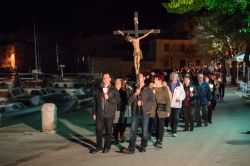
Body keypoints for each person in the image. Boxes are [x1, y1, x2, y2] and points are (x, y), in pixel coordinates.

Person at [123, 73, 155, 154]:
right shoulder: (134, 88)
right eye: (137, 77)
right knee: (133, 131)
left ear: (144, 78)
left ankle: (143, 146)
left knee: (144, 132)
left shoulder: (148, 89)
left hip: (145, 114)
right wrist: (135, 94)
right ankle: (131, 148)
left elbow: (152, 102)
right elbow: (129, 101)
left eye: (140, 77)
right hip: (135, 114)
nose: (138, 78)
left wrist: (143, 102)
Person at [91, 73, 120, 154]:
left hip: (109, 114)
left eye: (106, 78)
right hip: (99, 113)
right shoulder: (98, 89)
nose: (105, 79)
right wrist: (94, 112)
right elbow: (95, 102)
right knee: (98, 131)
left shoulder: (114, 89)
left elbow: (118, 101)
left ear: (110, 79)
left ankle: (107, 147)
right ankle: (99, 147)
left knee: (108, 132)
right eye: (103, 78)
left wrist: (109, 98)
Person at [151, 74, 171, 148]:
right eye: (154, 79)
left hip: (162, 109)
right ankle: (157, 139)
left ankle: (160, 141)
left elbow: (168, 100)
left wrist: (168, 111)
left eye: (156, 79)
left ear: (159, 80)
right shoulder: (152, 88)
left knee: (160, 125)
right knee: (155, 126)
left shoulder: (164, 89)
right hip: (154, 110)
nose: (154, 80)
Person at [167, 72, 186, 137]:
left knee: (176, 118)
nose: (174, 78)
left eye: (176, 77)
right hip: (170, 105)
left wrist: (180, 98)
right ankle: (172, 128)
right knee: (171, 118)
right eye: (173, 77)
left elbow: (183, 94)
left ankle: (174, 131)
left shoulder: (180, 85)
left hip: (177, 104)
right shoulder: (168, 85)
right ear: (171, 78)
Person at [113, 79, 128, 144]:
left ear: (120, 84)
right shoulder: (112, 91)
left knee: (121, 124)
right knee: (115, 125)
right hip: (114, 110)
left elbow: (125, 101)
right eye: (116, 82)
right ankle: (116, 139)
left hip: (121, 110)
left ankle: (121, 136)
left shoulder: (123, 92)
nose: (117, 84)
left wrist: (120, 104)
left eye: (118, 83)